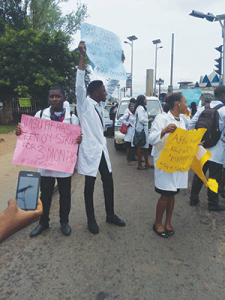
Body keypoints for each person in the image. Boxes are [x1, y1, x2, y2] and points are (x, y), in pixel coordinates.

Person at [16, 86, 83, 237]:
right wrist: (20, 132)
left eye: (57, 96)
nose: (54, 99)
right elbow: (29, 134)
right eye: (51, 96)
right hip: (45, 163)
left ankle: (64, 222)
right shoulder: (40, 115)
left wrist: (78, 139)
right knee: (45, 194)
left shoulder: (72, 118)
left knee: (65, 194)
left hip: (63, 163)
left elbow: (76, 140)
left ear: (64, 98)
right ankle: (43, 222)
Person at [76, 41, 126, 234]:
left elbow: (113, 83)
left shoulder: (99, 105)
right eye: (104, 91)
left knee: (109, 182)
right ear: (96, 93)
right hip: (89, 152)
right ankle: (91, 220)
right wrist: (82, 57)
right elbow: (80, 85)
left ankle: (110, 215)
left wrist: (119, 65)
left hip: (102, 152)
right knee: (89, 187)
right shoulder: (84, 105)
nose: (107, 93)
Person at [149, 92, 188, 238]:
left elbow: (184, 140)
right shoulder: (162, 118)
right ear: (178, 103)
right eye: (185, 102)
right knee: (165, 194)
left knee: (173, 193)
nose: (186, 105)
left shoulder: (182, 120)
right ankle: (157, 223)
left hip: (177, 163)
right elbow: (151, 138)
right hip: (164, 163)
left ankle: (168, 222)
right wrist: (164, 131)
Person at [189, 85, 225, 211]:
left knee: (199, 174)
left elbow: (191, 124)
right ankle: (213, 203)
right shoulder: (224, 110)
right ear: (223, 95)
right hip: (217, 149)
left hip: (202, 148)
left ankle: (193, 198)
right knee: (214, 178)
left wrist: (197, 140)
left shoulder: (203, 108)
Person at [135, 95, 153, 170]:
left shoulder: (142, 108)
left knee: (145, 147)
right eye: (145, 99)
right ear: (142, 100)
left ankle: (147, 163)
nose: (146, 101)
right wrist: (149, 120)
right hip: (141, 130)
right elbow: (141, 119)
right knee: (140, 147)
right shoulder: (140, 108)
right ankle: (139, 164)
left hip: (144, 129)